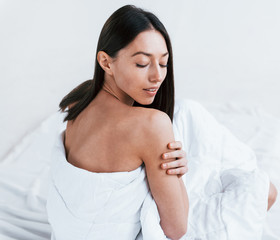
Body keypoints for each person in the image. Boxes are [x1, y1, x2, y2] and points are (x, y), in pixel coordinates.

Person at [47, 5, 188, 240]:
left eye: (163, 63)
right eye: (142, 63)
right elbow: (177, 229)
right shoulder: (153, 125)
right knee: (260, 191)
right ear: (106, 62)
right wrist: (180, 175)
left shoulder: (80, 98)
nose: (157, 76)